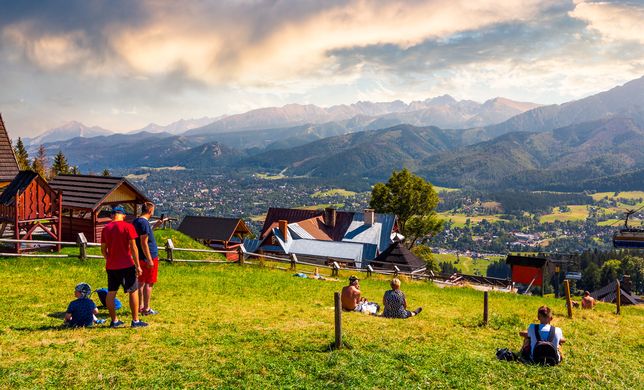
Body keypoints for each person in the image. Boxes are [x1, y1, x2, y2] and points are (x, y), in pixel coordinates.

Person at [101, 205, 148, 328]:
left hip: (111, 266)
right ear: (123, 215)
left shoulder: (106, 229)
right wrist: (138, 266)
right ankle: (135, 321)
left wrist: (109, 259)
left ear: (112, 215)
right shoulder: (128, 227)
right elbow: (133, 248)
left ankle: (114, 321)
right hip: (127, 264)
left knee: (111, 292)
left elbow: (103, 249)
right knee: (133, 290)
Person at [133, 201, 159, 316]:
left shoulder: (137, 221)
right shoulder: (144, 223)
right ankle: (146, 308)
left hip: (139, 257)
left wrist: (155, 226)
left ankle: (139, 306)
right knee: (149, 282)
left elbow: (143, 235)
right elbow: (144, 241)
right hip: (149, 257)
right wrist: (149, 259)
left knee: (141, 282)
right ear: (150, 210)